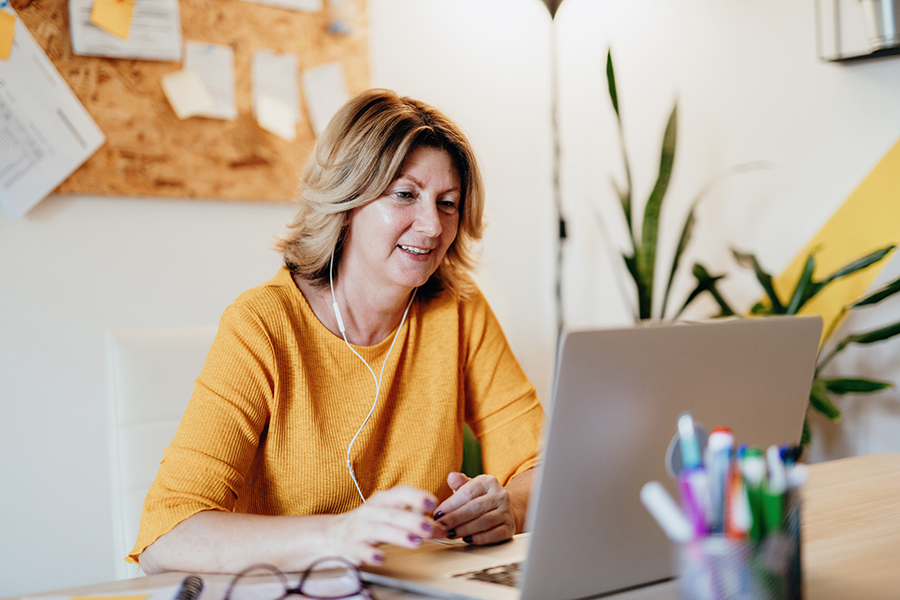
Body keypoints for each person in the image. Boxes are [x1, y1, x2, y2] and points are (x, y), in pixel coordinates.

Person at [131, 89, 544, 575]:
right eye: (405, 194)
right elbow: (167, 535)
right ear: (348, 199)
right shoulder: (262, 324)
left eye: (448, 203)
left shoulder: (459, 309)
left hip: (418, 588)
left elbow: (545, 468)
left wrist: (509, 508)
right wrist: (339, 534)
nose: (432, 226)